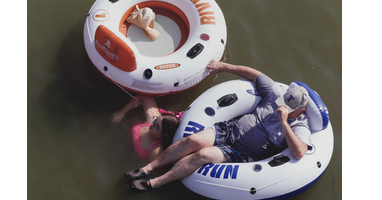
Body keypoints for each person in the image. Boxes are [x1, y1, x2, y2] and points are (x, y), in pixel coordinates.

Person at [124, 60, 312, 191]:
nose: (282, 105)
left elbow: (299, 152)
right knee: (193, 140)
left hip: (243, 152)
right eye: (283, 101)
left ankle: (156, 182)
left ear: (300, 111)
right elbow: (256, 75)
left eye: (288, 106)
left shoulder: (300, 125)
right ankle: (148, 168)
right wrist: (224, 67)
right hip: (230, 128)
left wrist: (283, 121)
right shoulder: (275, 94)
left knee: (204, 155)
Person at [112, 95, 181, 161]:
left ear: (164, 134)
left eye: (157, 126)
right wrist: (122, 112)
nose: (153, 124)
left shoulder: (156, 151)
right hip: (119, 138)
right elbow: (144, 97)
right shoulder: (153, 120)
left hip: (128, 155)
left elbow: (146, 167)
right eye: (155, 120)